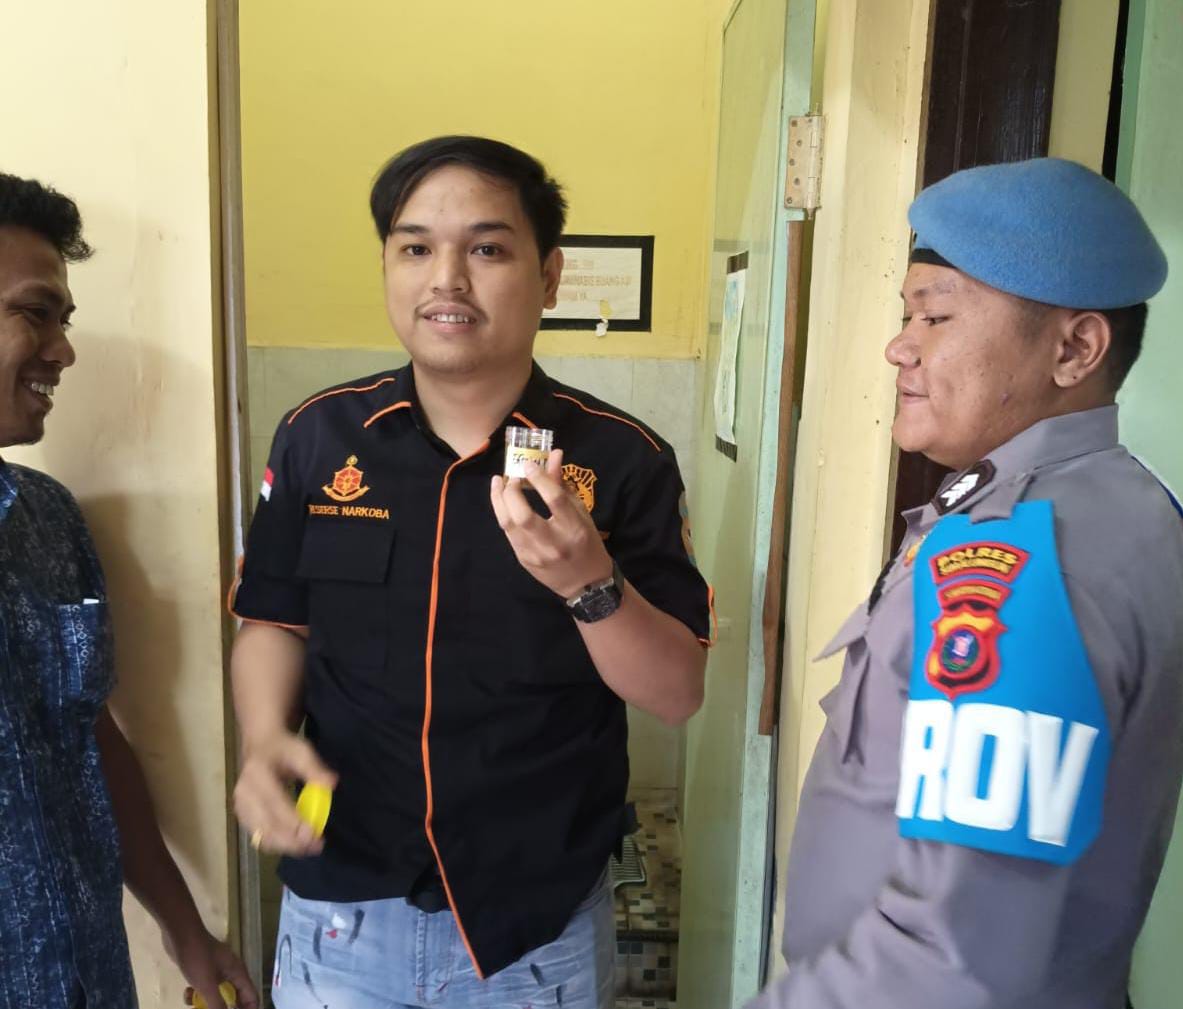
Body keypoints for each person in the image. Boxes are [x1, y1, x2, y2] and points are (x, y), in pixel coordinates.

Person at [229, 135, 712, 1009]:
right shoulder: (318, 437)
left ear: (550, 275)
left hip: (536, 928)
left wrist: (589, 582)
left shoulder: (622, 458)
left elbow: (677, 692)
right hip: (342, 910)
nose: (446, 279)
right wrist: (264, 736)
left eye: (487, 249)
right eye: (415, 248)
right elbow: (274, 619)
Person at [748, 157, 1183, 1009]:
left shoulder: (1034, 556)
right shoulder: (1113, 500)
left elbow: (955, 957)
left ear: (1074, 349)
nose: (901, 345)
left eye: (938, 315)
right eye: (907, 314)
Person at [0, 173, 256, 1009]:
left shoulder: (47, 521)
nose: (63, 350)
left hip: (86, 978)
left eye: (64, 321)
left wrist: (187, 932)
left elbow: (90, 740)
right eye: (35, 313)